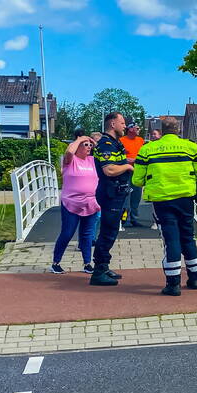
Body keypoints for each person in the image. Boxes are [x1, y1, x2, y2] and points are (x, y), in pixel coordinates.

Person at [132, 117, 197, 296]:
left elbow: (137, 180)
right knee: (188, 237)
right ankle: (195, 278)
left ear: (161, 130)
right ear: (179, 129)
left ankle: (173, 284)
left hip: (162, 200)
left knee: (171, 239)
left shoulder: (147, 149)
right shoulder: (191, 147)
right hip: (185, 198)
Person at [89, 112, 134, 286]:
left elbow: (117, 161)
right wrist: (127, 167)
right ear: (113, 124)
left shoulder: (114, 143)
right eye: (122, 123)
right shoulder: (106, 144)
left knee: (111, 230)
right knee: (108, 232)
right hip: (110, 193)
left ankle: (104, 266)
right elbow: (109, 170)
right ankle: (98, 272)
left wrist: (129, 160)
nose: (125, 126)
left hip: (116, 193)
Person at [50, 135, 101, 274]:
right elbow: (68, 152)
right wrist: (79, 139)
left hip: (91, 203)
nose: (89, 147)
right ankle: (55, 263)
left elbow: (103, 154)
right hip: (71, 203)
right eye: (85, 145)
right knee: (67, 233)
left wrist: (93, 142)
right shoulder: (70, 161)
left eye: (90, 145)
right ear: (77, 147)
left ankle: (87, 263)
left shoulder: (92, 161)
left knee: (87, 234)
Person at [119, 123, 146, 227]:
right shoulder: (121, 140)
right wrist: (127, 159)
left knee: (136, 195)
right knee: (126, 195)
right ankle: (124, 219)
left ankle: (134, 218)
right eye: (137, 128)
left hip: (137, 171)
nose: (139, 130)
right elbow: (118, 156)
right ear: (130, 129)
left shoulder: (140, 140)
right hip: (125, 171)